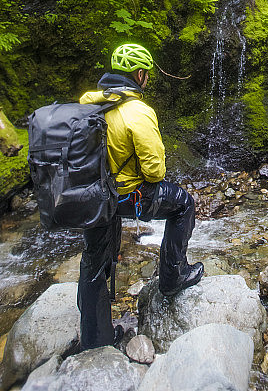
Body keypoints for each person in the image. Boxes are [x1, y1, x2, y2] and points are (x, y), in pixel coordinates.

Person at [77, 42, 203, 350]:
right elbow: (155, 172)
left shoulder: (87, 102)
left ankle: (95, 339)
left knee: (94, 261)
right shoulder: (138, 111)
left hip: (94, 196)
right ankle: (173, 277)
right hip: (125, 196)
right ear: (140, 74)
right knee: (184, 205)